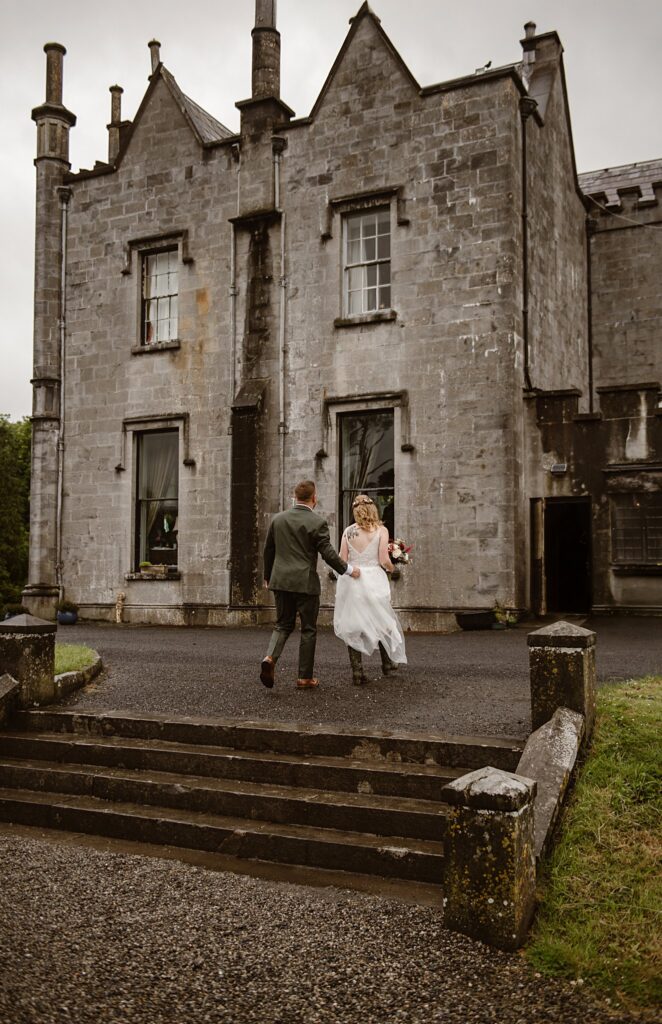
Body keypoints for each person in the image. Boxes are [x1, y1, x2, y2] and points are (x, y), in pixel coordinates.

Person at [261, 480, 360, 690]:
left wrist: (267, 576)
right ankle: (304, 678)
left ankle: (270, 658)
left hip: (280, 581)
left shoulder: (278, 520)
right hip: (305, 583)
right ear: (314, 498)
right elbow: (328, 553)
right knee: (308, 629)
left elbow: (268, 550)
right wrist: (349, 570)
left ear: (294, 497)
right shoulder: (317, 522)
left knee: (282, 625)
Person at [334, 494, 407, 685]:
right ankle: (387, 665)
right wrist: (394, 568)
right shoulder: (381, 531)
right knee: (382, 620)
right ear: (373, 509)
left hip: (353, 580)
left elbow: (342, 559)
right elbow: (384, 559)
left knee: (354, 624)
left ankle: (358, 673)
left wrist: (350, 571)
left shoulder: (348, 532)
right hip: (374, 579)